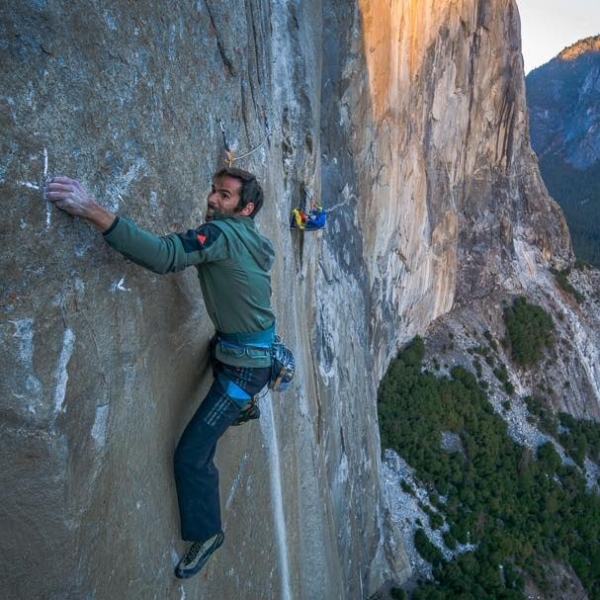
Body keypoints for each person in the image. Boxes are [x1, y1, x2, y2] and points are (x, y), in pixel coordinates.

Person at [46, 167, 276, 579]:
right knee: (218, 354)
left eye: (224, 196)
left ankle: (208, 535)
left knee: (191, 454)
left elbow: (164, 256)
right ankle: (242, 405)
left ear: (247, 208)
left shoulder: (219, 236)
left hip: (244, 371)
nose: (212, 200)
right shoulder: (251, 237)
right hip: (245, 352)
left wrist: (92, 210)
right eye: (214, 191)